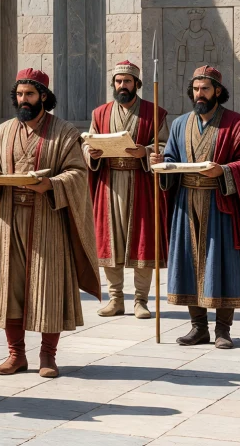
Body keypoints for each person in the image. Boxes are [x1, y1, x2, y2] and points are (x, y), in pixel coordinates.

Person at [0, 68, 98, 379]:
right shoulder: (3, 132)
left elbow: (77, 173)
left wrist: (51, 185)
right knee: (10, 289)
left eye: (29, 94)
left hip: (48, 219)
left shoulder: (65, 132)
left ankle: (48, 354)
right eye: (19, 94)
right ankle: (16, 354)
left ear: (43, 95)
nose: (23, 100)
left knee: (48, 287)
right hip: (9, 219)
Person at [161, 65, 240, 349]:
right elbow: (171, 157)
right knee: (189, 264)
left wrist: (223, 170)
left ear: (218, 92)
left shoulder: (235, 125)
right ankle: (198, 327)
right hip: (186, 204)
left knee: (222, 264)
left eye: (206, 89)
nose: (200, 94)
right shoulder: (179, 124)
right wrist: (160, 165)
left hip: (220, 205)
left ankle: (223, 329)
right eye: (196, 89)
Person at [85, 61, 167, 319]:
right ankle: (115, 299)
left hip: (140, 183)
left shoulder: (155, 113)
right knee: (110, 243)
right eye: (119, 81)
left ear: (137, 84)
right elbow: (87, 143)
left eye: (127, 81)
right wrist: (92, 152)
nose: (123, 86)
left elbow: (166, 145)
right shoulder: (99, 113)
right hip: (109, 183)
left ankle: (141, 300)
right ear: (114, 84)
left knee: (141, 242)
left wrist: (146, 151)